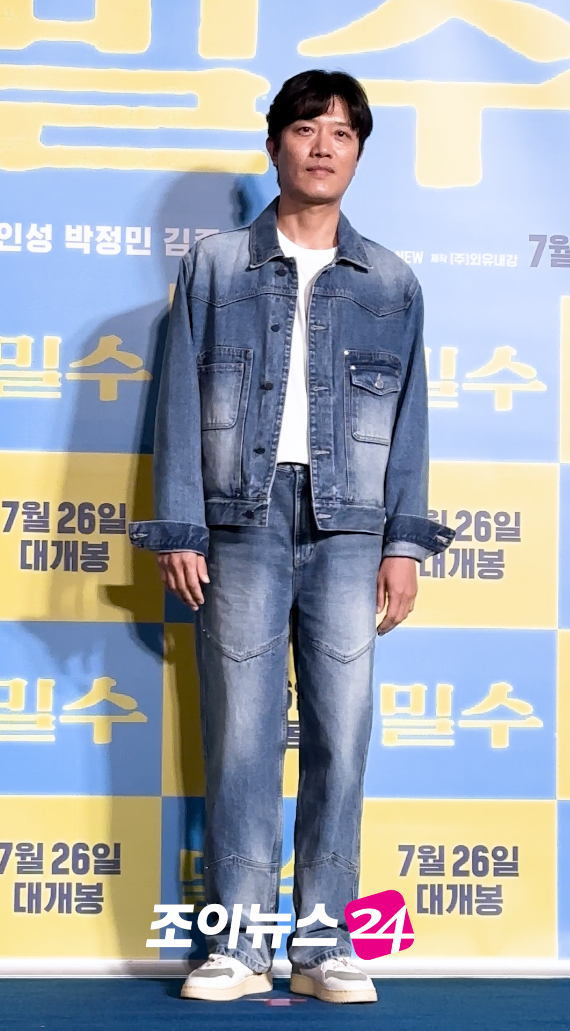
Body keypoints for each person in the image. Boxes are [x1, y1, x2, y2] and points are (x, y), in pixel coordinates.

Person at [129, 69, 454, 1004]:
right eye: (307, 128)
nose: (323, 146)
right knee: (242, 733)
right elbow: (178, 402)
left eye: (342, 133)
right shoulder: (216, 267)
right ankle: (238, 944)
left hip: (351, 529)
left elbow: (411, 420)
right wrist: (182, 524)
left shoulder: (391, 280)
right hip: (241, 519)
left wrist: (403, 543)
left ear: (358, 153)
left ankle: (321, 944)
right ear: (275, 144)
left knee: (342, 735)